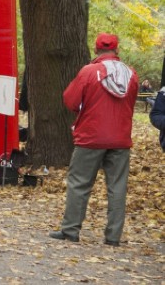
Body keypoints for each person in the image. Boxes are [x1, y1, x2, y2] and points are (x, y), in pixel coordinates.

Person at [49, 33, 138, 246]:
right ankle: (113, 237)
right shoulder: (131, 74)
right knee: (117, 187)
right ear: (117, 50)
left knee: (79, 183)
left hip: (90, 137)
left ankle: (71, 230)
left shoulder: (89, 72)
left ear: (96, 49)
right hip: (120, 138)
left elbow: (70, 100)